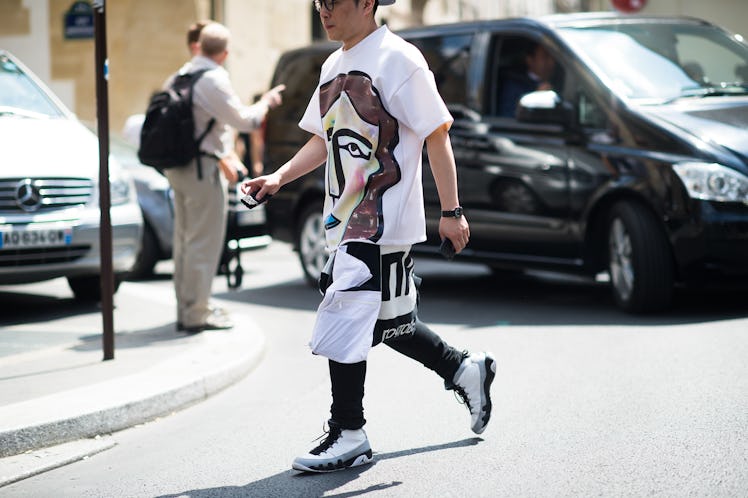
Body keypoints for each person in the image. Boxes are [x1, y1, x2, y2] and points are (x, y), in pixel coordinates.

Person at [242, 0, 496, 473]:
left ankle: (349, 431)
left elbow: (437, 134)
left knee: (346, 313)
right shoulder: (332, 64)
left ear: (366, 2)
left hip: (382, 219)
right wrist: (278, 177)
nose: (323, 10)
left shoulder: (399, 59)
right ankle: (464, 369)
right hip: (343, 219)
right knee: (385, 322)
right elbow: (324, 136)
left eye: (333, 1)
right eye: (318, 2)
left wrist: (452, 211)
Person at [167, 21, 284, 333]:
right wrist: (266, 102)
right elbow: (246, 121)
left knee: (184, 241)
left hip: (177, 168)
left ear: (199, 46)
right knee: (203, 243)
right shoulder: (213, 79)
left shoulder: (180, 74)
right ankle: (196, 313)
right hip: (203, 169)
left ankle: (186, 307)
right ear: (225, 53)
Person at [498, 41, 556, 117]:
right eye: (545, 57)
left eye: (553, 57)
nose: (551, 62)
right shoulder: (514, 86)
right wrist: (536, 98)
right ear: (530, 60)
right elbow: (507, 117)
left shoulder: (560, 82)